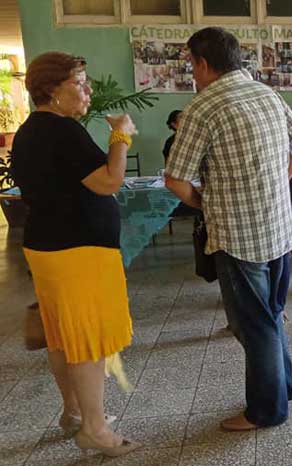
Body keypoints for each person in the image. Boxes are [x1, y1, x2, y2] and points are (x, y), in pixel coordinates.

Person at [165, 27, 292, 431]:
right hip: (280, 226)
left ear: (202, 63)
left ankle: (266, 410)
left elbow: (176, 179)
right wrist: (275, 183)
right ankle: (285, 388)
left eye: (192, 64)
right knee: (273, 313)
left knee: (254, 322)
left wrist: (204, 201)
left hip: (238, 234)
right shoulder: (265, 93)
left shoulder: (202, 107)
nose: (192, 73)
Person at [12, 52, 138, 456]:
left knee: (63, 336)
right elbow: (108, 181)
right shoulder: (63, 131)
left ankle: (75, 413)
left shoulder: (31, 130)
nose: (87, 90)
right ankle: (95, 430)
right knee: (86, 339)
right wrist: (121, 135)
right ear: (52, 90)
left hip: (49, 245)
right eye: (79, 82)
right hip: (77, 249)